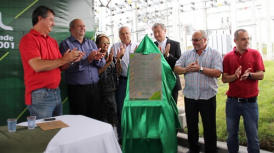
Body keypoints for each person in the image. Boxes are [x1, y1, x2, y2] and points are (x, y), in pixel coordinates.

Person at [19, 6, 82, 119]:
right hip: (40, 95)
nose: (53, 23)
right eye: (51, 20)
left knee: (56, 131)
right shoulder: (28, 39)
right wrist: (64, 59)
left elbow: (60, 66)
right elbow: (37, 66)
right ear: (40, 19)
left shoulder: (52, 41)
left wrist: (71, 60)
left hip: (56, 92)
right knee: (43, 134)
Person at [174, 30, 223, 153]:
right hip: (190, 96)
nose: (194, 42)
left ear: (205, 40)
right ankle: (193, 149)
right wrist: (187, 69)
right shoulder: (187, 54)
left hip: (208, 96)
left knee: (209, 127)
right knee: (192, 126)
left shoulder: (214, 54)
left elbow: (217, 73)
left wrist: (200, 69)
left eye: (197, 40)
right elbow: (176, 68)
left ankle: (210, 150)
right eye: (193, 40)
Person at [222, 29, 264, 153]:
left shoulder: (255, 54)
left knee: (252, 137)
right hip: (232, 103)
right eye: (243, 39)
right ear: (235, 41)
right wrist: (235, 76)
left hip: (250, 103)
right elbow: (224, 78)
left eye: (248, 38)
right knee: (232, 135)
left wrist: (250, 75)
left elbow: (261, 74)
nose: (247, 41)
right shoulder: (228, 57)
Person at [59, 19, 105, 120]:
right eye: (80, 26)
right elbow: (65, 67)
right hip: (77, 90)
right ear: (72, 29)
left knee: (95, 119)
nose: (83, 28)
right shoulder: (66, 44)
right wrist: (87, 59)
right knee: (79, 120)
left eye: (84, 26)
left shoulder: (91, 43)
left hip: (94, 88)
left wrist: (97, 59)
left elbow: (102, 63)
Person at [111, 26, 139, 143]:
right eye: (122, 34)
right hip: (122, 81)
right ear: (119, 35)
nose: (125, 35)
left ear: (130, 33)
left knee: (136, 109)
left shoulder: (138, 46)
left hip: (136, 82)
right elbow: (115, 70)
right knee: (122, 109)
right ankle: (122, 137)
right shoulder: (115, 47)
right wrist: (118, 59)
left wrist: (139, 55)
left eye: (127, 33)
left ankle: (135, 135)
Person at [95, 34, 121, 126]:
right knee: (102, 120)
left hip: (111, 92)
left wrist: (118, 60)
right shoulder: (95, 57)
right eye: (103, 43)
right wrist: (108, 62)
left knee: (112, 120)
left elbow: (118, 72)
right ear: (97, 44)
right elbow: (95, 74)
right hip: (99, 93)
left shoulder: (111, 57)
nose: (106, 45)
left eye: (107, 43)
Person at [152, 23, 182, 104]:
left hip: (171, 81)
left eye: (158, 31)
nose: (157, 34)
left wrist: (168, 55)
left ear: (165, 31)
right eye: (154, 32)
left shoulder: (175, 44)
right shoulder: (152, 46)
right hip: (157, 84)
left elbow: (179, 63)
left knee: (172, 107)